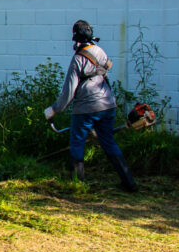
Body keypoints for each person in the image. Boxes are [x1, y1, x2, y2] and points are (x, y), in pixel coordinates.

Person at [44, 19, 138, 192]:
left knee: (77, 142)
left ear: (75, 39)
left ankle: (77, 185)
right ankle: (129, 183)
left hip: (86, 108)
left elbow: (69, 92)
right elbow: (105, 68)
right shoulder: (100, 51)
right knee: (108, 141)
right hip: (108, 105)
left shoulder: (78, 60)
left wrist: (54, 110)